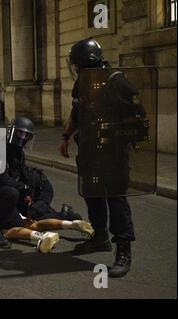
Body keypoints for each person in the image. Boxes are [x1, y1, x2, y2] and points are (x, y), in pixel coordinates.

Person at [59, 38, 140, 277]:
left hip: (113, 154)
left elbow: (139, 119)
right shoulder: (81, 84)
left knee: (116, 200)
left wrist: (116, 133)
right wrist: (65, 135)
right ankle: (100, 237)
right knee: (92, 193)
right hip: (89, 152)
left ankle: (123, 250)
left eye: (75, 64)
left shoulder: (117, 82)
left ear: (86, 62)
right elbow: (76, 112)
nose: (73, 68)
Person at [0, 117, 91, 250]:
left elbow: (21, 176)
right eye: (21, 133)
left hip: (3, 194)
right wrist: (23, 188)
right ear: (12, 132)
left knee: (29, 213)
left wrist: (28, 194)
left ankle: (66, 218)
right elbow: (1, 179)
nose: (23, 137)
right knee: (13, 197)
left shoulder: (18, 152)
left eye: (27, 135)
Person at [0, 190, 94, 253]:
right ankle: (72, 224)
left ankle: (41, 237)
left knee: (8, 232)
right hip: (6, 209)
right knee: (35, 223)